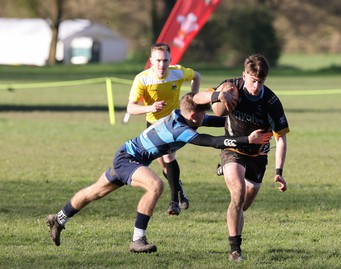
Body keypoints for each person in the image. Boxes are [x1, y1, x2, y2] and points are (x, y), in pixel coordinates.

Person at [46, 93, 272, 254]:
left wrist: (247, 122)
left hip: (128, 153)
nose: (206, 118)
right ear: (194, 117)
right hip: (129, 158)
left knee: (95, 191)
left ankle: (58, 219)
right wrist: (246, 140)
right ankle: (137, 240)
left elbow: (219, 121)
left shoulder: (182, 114)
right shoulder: (180, 130)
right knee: (155, 186)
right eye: (202, 117)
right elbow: (213, 141)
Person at [193, 54, 290, 262]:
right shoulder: (231, 87)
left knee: (242, 204)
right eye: (253, 80)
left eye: (260, 82)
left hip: (258, 155)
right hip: (233, 148)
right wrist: (218, 96)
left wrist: (279, 172)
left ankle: (228, 179)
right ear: (244, 75)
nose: (256, 86)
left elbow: (280, 139)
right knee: (237, 194)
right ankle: (235, 250)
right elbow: (195, 98)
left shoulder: (271, 102)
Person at [126, 42, 201, 216]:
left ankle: (174, 202)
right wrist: (149, 108)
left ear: (170, 60)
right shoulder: (142, 79)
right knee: (165, 164)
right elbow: (130, 108)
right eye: (158, 60)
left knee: (168, 156)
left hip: (175, 121)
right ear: (151, 60)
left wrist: (192, 100)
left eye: (165, 60)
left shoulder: (177, 72)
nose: (162, 65)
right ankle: (180, 190)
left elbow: (196, 76)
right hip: (153, 124)